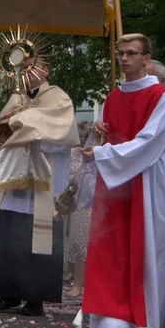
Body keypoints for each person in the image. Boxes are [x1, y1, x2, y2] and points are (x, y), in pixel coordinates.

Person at [77, 33, 165, 328]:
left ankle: (145, 324)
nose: (124, 59)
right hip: (116, 184)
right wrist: (96, 135)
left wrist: (103, 154)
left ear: (146, 58)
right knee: (114, 251)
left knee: (147, 250)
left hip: (149, 182)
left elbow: (152, 142)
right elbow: (98, 144)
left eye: (131, 53)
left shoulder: (163, 97)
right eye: (120, 54)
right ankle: (114, 320)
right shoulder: (111, 98)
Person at [0, 60, 80, 317]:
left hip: (44, 178)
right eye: (24, 68)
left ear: (46, 71)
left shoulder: (59, 98)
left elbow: (64, 135)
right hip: (14, 178)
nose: (27, 72)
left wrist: (28, 124)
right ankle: (9, 292)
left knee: (37, 238)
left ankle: (35, 296)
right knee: (9, 235)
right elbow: (0, 133)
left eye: (33, 67)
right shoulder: (16, 98)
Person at [63, 121, 96, 298]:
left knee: (83, 245)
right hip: (73, 204)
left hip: (89, 205)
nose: (83, 141)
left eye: (86, 137)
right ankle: (76, 279)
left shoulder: (95, 156)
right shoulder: (72, 155)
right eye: (81, 137)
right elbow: (65, 175)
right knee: (73, 243)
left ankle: (78, 284)